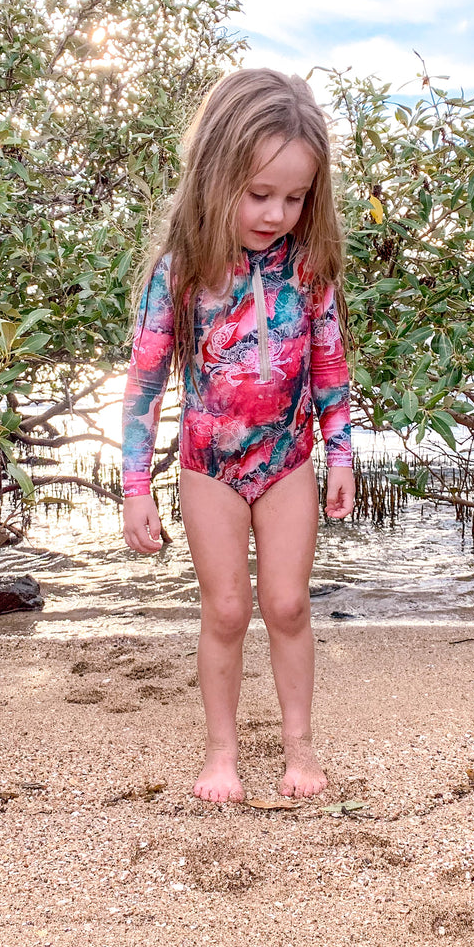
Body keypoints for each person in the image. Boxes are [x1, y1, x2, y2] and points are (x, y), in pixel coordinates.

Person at [120, 68, 356, 804]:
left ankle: (298, 745)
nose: (276, 213)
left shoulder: (309, 270)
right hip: (207, 465)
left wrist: (341, 451)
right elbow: (144, 385)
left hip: (287, 461)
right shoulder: (181, 273)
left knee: (287, 604)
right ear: (215, 174)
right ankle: (221, 752)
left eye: (294, 197)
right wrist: (134, 488)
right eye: (259, 194)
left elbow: (330, 368)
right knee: (225, 610)